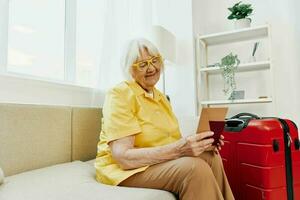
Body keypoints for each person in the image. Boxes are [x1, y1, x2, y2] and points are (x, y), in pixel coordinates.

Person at [95, 38, 234, 200]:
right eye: (142, 64)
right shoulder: (119, 95)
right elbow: (123, 157)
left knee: (211, 157)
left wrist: (200, 144)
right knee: (195, 169)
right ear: (129, 70)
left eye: (155, 60)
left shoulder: (161, 98)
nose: (152, 68)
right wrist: (180, 149)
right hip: (125, 170)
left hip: (154, 162)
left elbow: (170, 140)